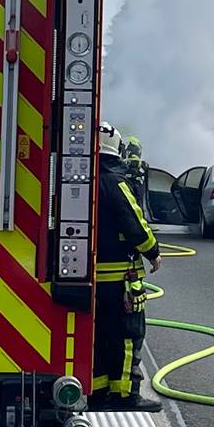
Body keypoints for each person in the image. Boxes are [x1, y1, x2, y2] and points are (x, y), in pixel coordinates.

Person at [90, 130, 162, 412]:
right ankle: (125, 396)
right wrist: (153, 251)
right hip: (121, 278)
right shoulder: (115, 181)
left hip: (91, 278)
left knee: (98, 336)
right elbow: (134, 221)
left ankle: (97, 394)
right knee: (127, 335)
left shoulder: (84, 179)